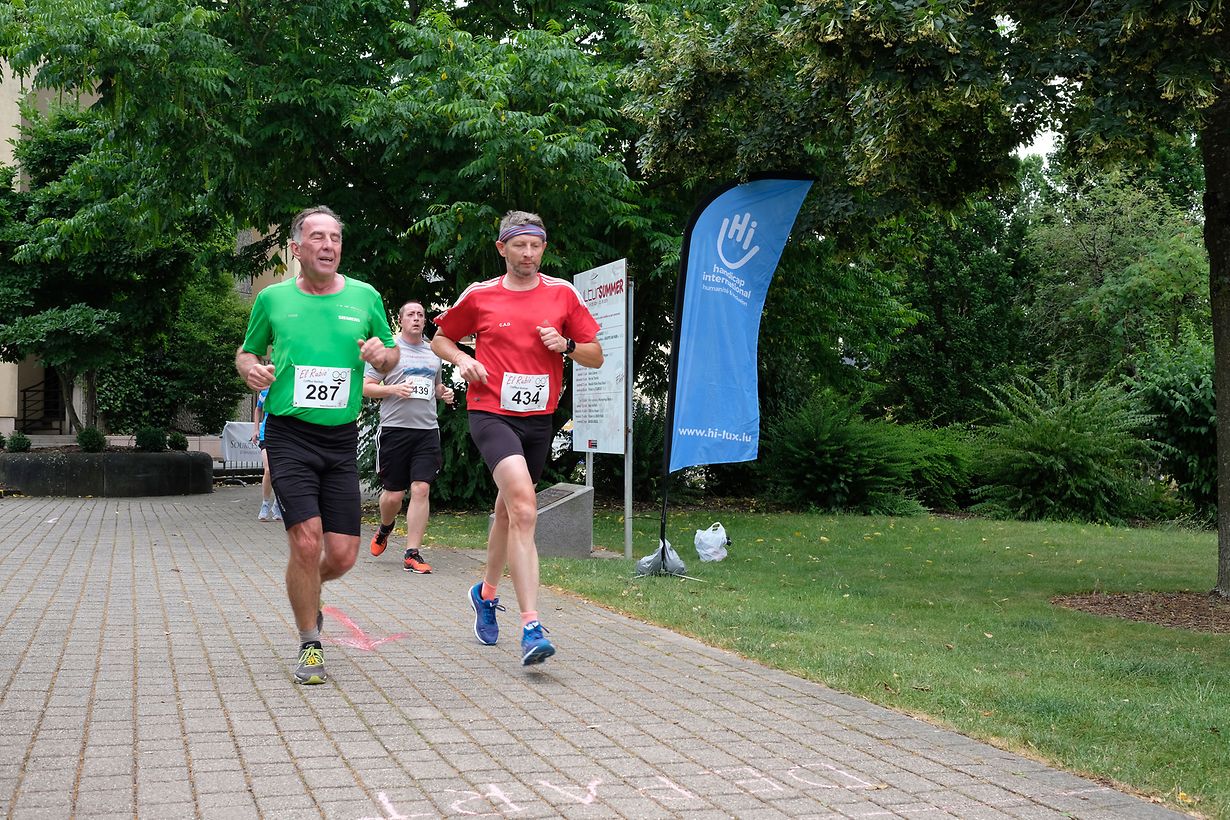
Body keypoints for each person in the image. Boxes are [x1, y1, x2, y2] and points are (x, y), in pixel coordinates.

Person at [235, 205, 399, 685]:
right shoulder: (273, 299)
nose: (328, 246)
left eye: (335, 238)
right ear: (297, 248)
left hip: (340, 439)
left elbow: (390, 356)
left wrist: (380, 355)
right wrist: (250, 369)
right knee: (306, 541)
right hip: (288, 435)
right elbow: (247, 351)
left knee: (343, 555)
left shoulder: (365, 297)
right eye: (318, 238)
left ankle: (304, 589)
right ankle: (310, 640)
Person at [431, 210, 603, 666]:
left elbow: (596, 356)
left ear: (543, 248)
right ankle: (531, 626)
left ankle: (485, 594)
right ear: (501, 248)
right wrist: (462, 360)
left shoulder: (562, 294)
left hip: (538, 420)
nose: (528, 254)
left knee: (507, 511)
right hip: (490, 413)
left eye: (536, 246)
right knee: (525, 506)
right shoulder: (481, 295)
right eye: (519, 245)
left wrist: (565, 346)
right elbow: (440, 338)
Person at [363, 299, 455, 574]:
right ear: (401, 320)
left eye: (421, 315)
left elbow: (435, 386)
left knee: (421, 488)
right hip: (394, 430)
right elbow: (366, 387)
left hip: (426, 430)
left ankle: (412, 553)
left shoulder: (433, 352)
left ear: (425, 321)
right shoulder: (389, 351)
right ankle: (385, 527)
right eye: (411, 314)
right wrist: (393, 390)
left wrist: (444, 393)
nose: (416, 318)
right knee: (393, 495)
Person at [252, 386, 282, 522]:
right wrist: (256, 429)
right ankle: (265, 504)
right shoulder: (266, 391)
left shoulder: (292, 390)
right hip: (267, 435)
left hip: (285, 436)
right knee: (269, 470)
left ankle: (278, 504)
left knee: (283, 473)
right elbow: (258, 409)